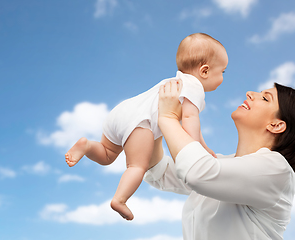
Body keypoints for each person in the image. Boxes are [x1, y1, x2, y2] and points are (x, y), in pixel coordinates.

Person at [65, 33, 228, 220]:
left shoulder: (175, 81)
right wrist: (198, 148)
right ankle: (120, 199)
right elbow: (190, 122)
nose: (222, 77)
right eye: (222, 71)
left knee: (107, 154)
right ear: (205, 71)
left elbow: (191, 125)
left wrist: (204, 146)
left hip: (122, 112)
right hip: (140, 123)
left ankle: (87, 146)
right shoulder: (195, 88)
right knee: (136, 166)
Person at [145, 80, 295, 240]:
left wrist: (168, 118)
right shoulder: (222, 165)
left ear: (276, 125)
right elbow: (160, 172)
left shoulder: (277, 170)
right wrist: (154, 117)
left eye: (265, 98)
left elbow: (196, 172)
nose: (250, 94)